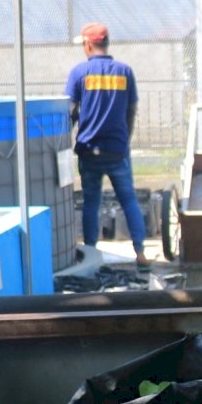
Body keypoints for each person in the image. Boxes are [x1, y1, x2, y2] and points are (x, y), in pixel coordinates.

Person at [66, 22, 148, 268]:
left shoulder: (79, 73)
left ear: (88, 45)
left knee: (92, 201)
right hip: (117, 150)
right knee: (128, 199)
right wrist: (125, 139)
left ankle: (91, 252)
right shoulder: (125, 72)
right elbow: (131, 110)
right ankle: (140, 253)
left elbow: (69, 111)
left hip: (89, 150)